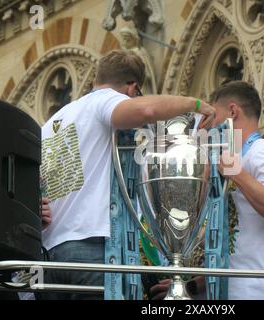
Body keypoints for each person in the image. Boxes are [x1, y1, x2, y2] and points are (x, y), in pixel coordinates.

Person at [39, 49, 215, 299]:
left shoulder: (52, 123)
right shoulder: (103, 101)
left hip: (50, 256)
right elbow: (145, 112)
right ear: (132, 89)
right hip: (92, 250)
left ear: (94, 81)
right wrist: (194, 104)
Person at [151, 80, 264, 300]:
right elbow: (234, 249)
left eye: (214, 118)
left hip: (261, 293)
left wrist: (237, 173)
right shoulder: (233, 159)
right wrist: (191, 286)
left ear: (233, 111)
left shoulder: (263, 153)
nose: (209, 127)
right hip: (227, 294)